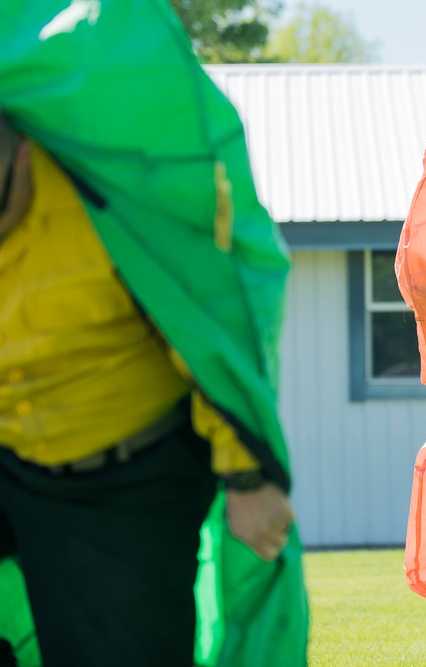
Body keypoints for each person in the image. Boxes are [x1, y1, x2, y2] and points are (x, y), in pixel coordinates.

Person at [0, 113, 294, 666]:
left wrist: (247, 476)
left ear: (22, 153)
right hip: (13, 455)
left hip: (127, 480)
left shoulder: (108, 200)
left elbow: (207, 330)